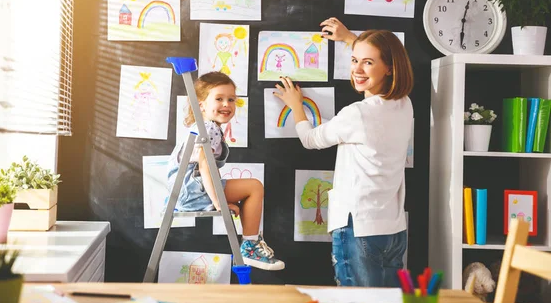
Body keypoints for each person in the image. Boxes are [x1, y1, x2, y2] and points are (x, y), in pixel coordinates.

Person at [273, 17, 414, 287]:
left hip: (358, 229)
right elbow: (374, 67)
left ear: (389, 68)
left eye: (367, 62)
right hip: (393, 230)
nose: (357, 69)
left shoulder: (357, 114)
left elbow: (311, 139)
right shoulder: (404, 104)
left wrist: (296, 105)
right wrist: (351, 39)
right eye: (354, 60)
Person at [167, 71, 284, 271]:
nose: (227, 105)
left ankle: (250, 242)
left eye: (231, 99)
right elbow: (204, 167)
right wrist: (218, 202)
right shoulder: (208, 129)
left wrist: (223, 200)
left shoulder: (204, 127)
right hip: (192, 190)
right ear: (201, 104)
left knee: (247, 190)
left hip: (185, 192)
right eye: (219, 99)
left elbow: (208, 168)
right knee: (254, 187)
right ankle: (250, 246)